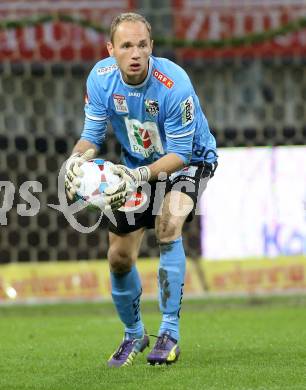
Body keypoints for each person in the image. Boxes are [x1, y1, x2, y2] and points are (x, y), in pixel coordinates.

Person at [64, 12, 217, 367]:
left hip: (189, 161)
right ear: (110, 49)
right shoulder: (101, 80)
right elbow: (91, 136)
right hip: (133, 166)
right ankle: (134, 334)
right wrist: (74, 162)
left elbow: (179, 153)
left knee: (168, 224)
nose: (135, 53)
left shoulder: (173, 84)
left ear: (152, 48)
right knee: (118, 257)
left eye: (142, 45)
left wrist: (138, 176)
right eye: (126, 45)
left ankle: (169, 332)